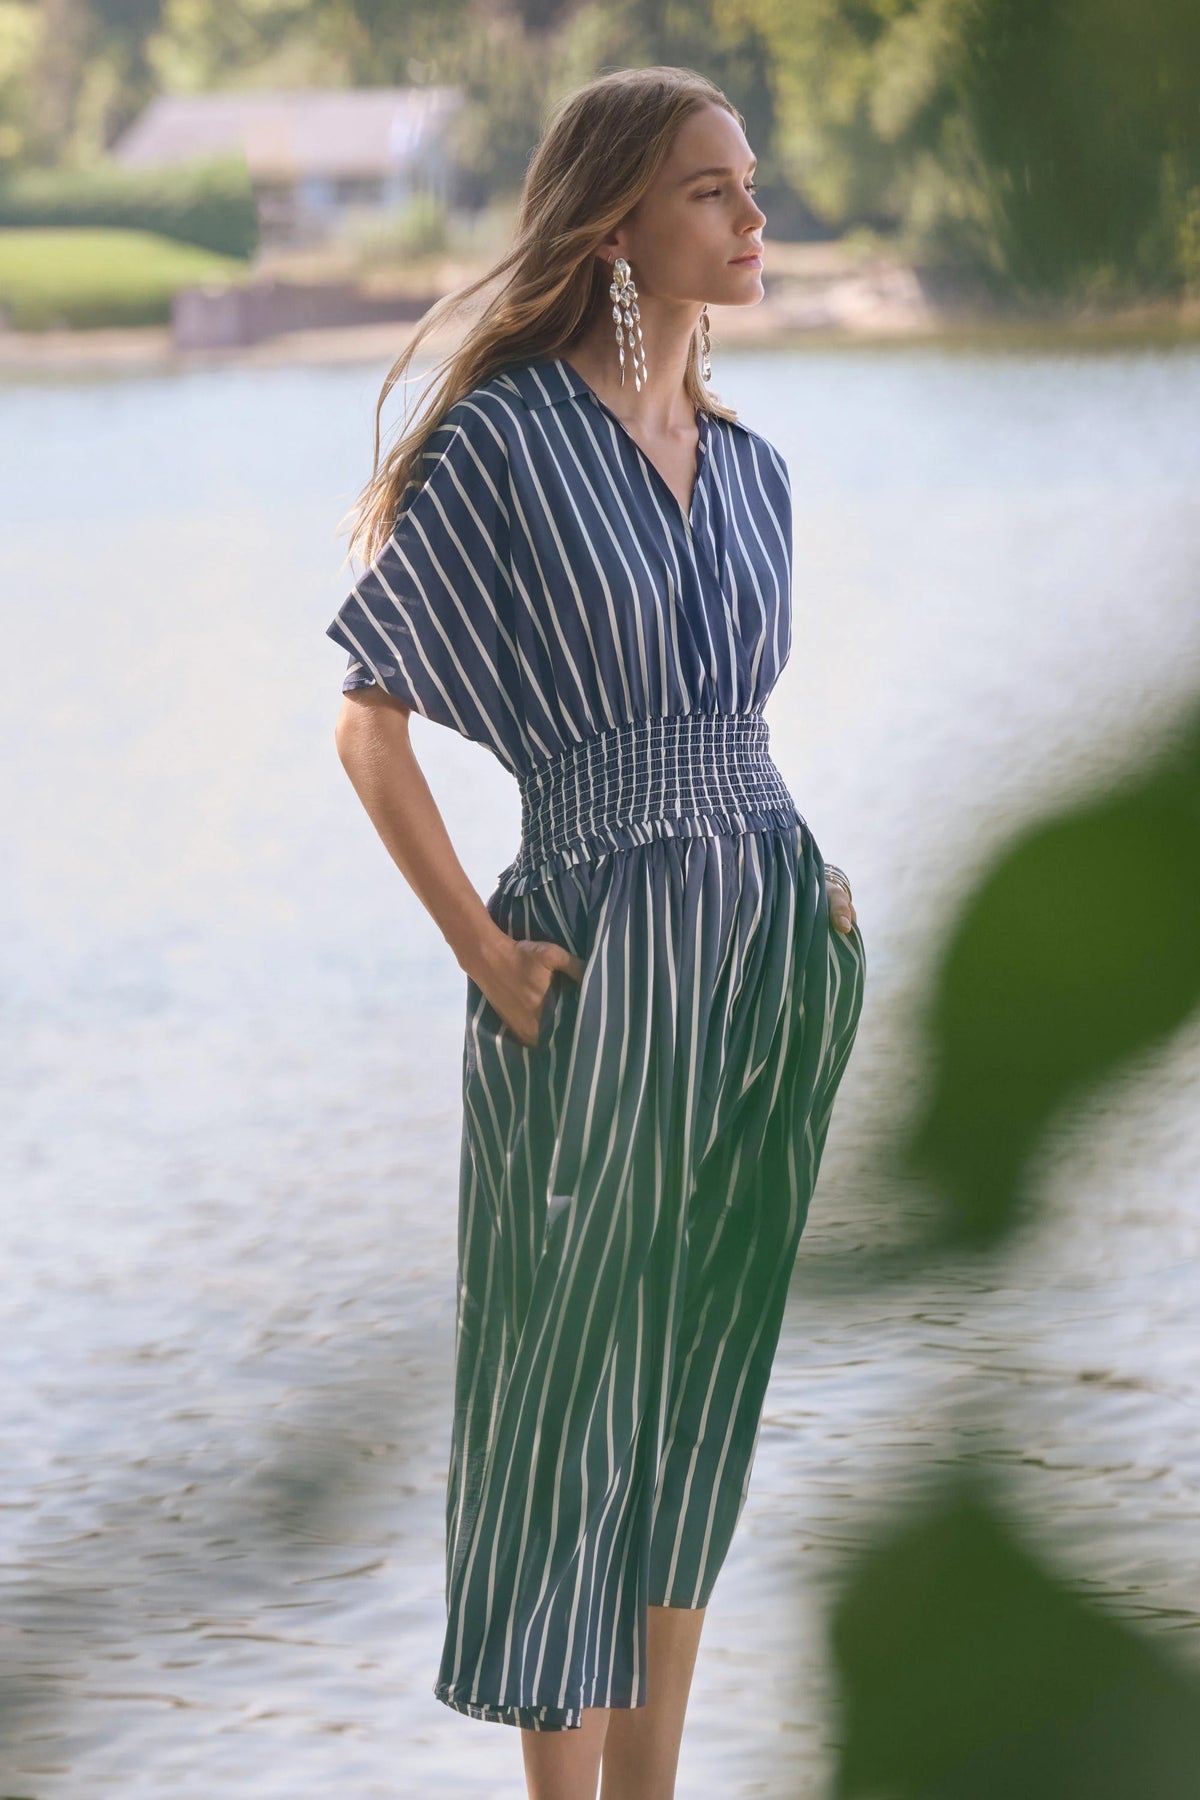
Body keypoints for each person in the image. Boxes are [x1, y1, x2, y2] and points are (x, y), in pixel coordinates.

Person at [326, 63, 866, 1800]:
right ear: (619, 222)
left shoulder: (760, 471)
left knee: (699, 1399)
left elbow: (739, 730)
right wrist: (484, 953)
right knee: (573, 1394)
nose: (752, 217)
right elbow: (368, 725)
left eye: (751, 184)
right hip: (595, 966)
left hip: (770, 964)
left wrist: (810, 874)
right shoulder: (507, 445)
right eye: (713, 190)